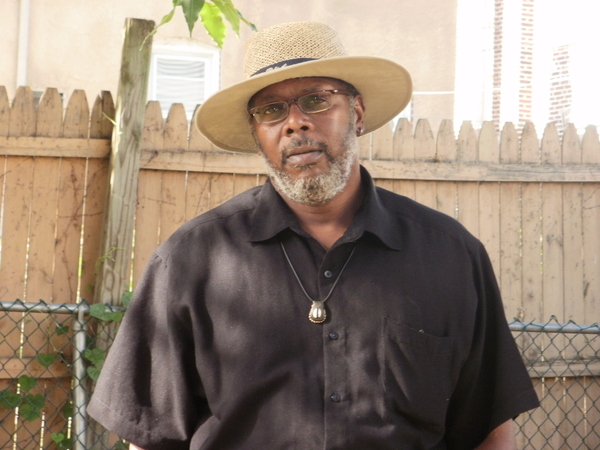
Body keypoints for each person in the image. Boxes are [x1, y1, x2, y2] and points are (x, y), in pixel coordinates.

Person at [88, 21, 539, 450]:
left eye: (317, 100)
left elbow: (488, 432)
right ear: (257, 134)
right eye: (271, 110)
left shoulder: (450, 255)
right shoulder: (189, 262)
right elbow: (150, 439)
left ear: (356, 113)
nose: (295, 123)